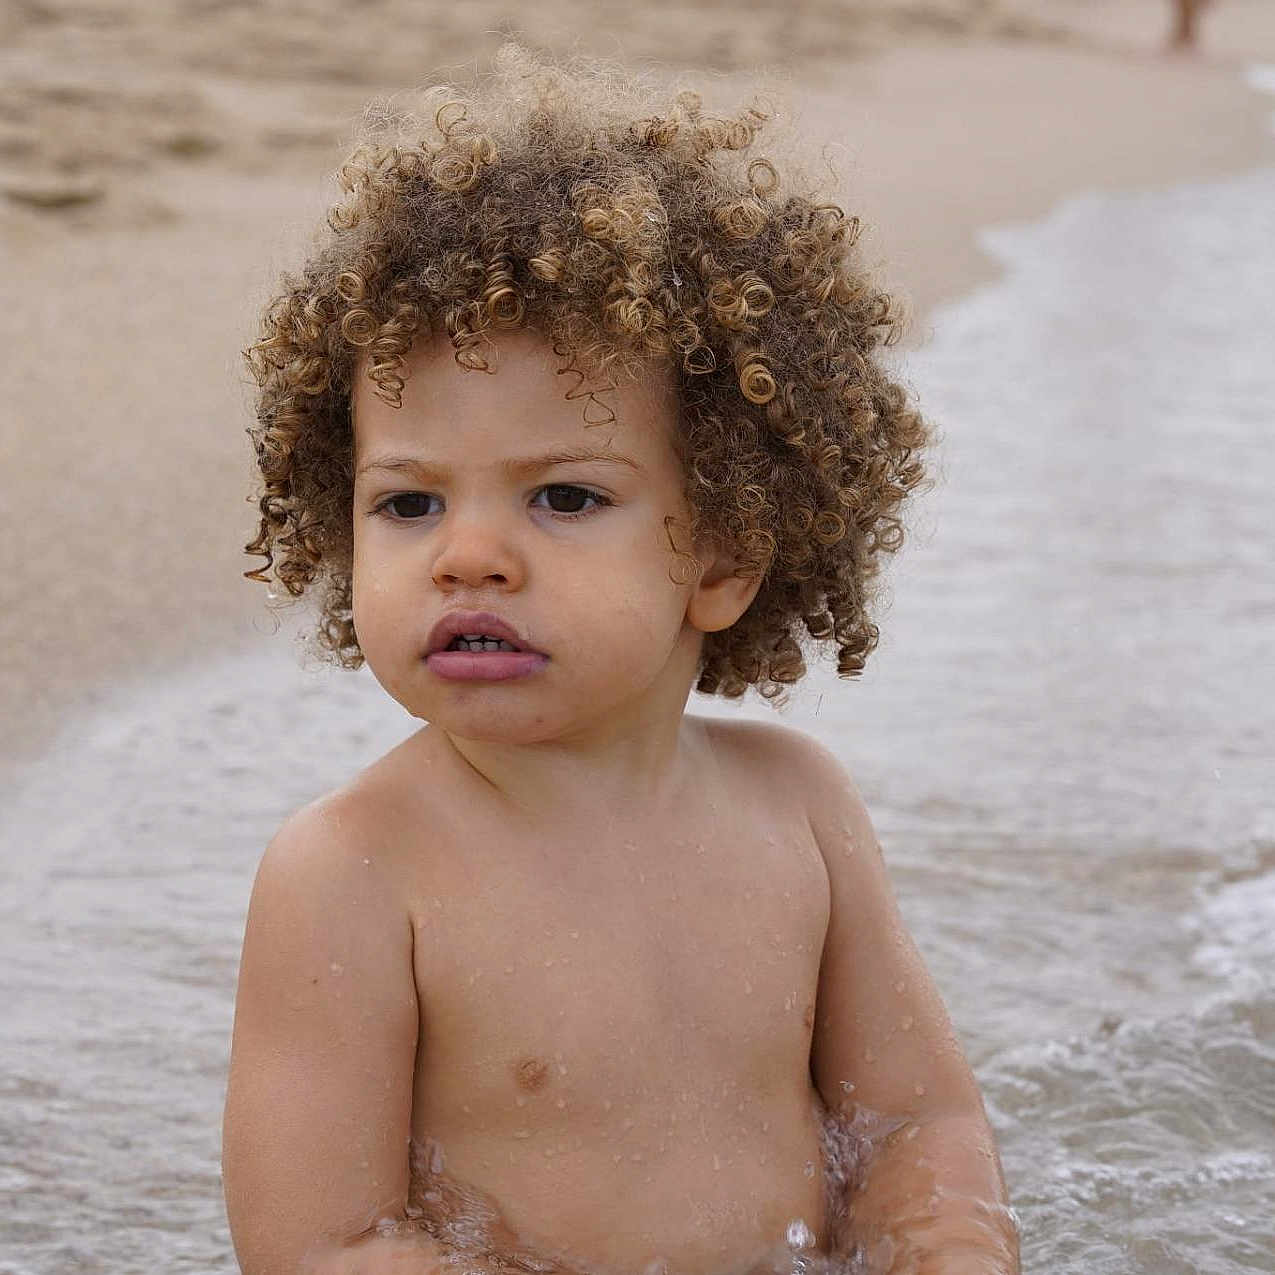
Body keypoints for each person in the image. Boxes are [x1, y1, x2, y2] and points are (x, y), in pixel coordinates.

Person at [221, 44, 1020, 1275]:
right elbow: (325, 1244)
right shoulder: (353, 872)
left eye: (564, 497)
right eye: (410, 503)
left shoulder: (798, 808)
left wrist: (946, 1244)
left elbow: (917, 1123)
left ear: (724, 553)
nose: (468, 557)